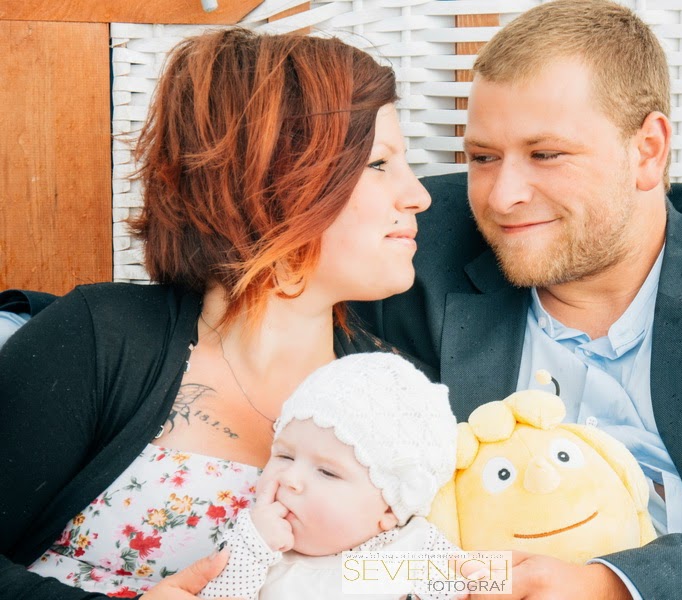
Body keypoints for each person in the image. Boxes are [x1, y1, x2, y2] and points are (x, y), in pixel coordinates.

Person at [350, 1, 682, 599]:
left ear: (647, 150)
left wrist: (612, 587)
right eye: (483, 157)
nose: (503, 196)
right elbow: (344, 534)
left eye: (546, 154)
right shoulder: (411, 252)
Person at [0, 27, 431, 599]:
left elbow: (397, 570)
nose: (419, 195)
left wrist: (529, 576)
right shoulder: (99, 339)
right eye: (378, 164)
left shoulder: (391, 393)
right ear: (275, 178)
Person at [198, 352, 459, 600]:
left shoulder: (410, 551)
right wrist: (252, 546)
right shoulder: (258, 556)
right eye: (285, 456)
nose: (290, 478)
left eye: (326, 472)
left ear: (390, 508)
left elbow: (478, 584)